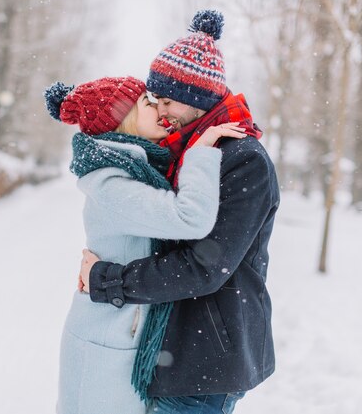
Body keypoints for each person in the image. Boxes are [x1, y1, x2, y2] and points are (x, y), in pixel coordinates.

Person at [78, 10, 280, 414]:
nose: (162, 110)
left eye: (167, 100)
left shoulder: (243, 160)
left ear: (197, 99)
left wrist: (107, 280)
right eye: (154, 100)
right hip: (175, 352)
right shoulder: (185, 151)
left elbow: (203, 268)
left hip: (206, 360)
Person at [44, 76, 246, 414]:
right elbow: (191, 217)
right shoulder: (112, 185)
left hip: (122, 329)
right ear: (123, 121)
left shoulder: (136, 172)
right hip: (108, 339)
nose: (160, 108)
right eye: (147, 103)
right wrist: (200, 153)